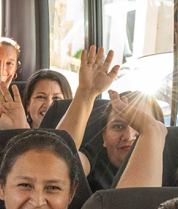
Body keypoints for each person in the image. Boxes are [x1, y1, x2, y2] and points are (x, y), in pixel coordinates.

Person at [56, 46, 165, 190]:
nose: (128, 136)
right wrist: (86, 93)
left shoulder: (174, 165)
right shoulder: (93, 159)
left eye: (140, 127)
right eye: (118, 126)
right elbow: (56, 162)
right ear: (104, 137)